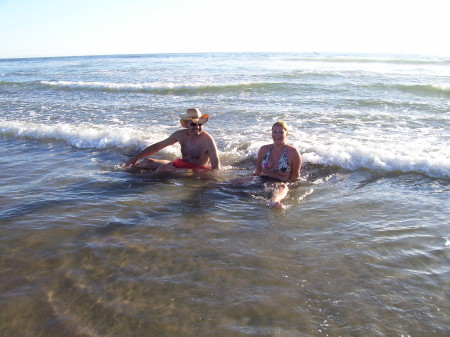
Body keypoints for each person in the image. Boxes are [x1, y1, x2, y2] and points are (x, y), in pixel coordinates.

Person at [124, 108, 220, 172]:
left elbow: (216, 167)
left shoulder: (208, 140)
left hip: (194, 171)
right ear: (186, 124)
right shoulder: (180, 135)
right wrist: (135, 158)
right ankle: (123, 171)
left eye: (200, 124)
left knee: (163, 169)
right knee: (147, 161)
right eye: (193, 124)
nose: (197, 127)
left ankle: (140, 183)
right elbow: (158, 146)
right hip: (181, 164)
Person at [233, 121, 301, 208]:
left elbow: (295, 178)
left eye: (281, 132)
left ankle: (275, 202)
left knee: (282, 188)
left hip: (280, 182)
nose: (277, 135)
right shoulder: (263, 149)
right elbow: (258, 171)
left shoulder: (293, 152)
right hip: (261, 179)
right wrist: (248, 178)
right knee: (228, 183)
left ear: (287, 134)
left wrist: (291, 189)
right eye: (274, 132)